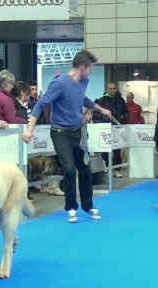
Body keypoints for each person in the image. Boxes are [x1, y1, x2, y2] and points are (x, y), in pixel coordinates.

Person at [22, 49, 112, 223]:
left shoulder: (83, 81)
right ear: (82, 67)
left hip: (77, 131)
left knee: (85, 169)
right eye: (91, 67)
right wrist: (29, 130)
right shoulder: (60, 83)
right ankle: (71, 207)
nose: (92, 71)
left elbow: (82, 98)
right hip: (60, 133)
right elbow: (40, 105)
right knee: (70, 170)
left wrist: (100, 109)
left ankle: (88, 205)